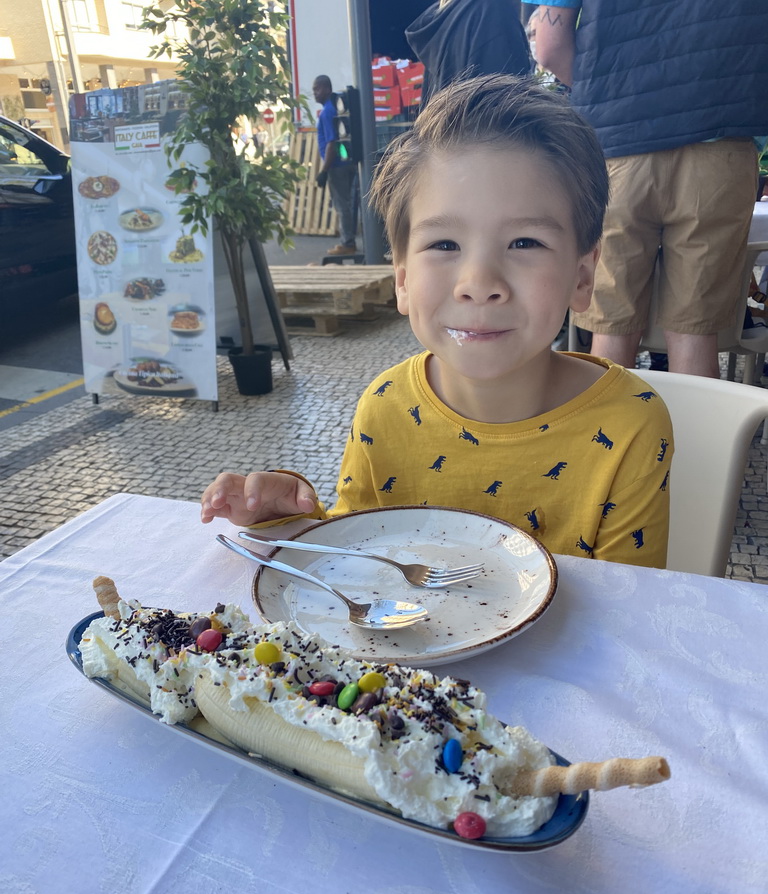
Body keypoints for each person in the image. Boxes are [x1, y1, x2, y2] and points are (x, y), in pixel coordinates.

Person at [201, 75, 673, 568]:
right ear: (402, 280)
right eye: (444, 244)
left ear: (582, 275)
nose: (479, 282)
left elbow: (630, 611)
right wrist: (291, 519)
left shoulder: (629, 425)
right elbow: (361, 556)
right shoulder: (385, 408)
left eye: (525, 243)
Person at [527, 1, 768, 378]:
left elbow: (549, 46)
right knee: (695, 329)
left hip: (618, 150)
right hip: (720, 145)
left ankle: (607, 435)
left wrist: (611, 97)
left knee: (611, 326)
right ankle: (690, 438)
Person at [406, 0, 533, 103]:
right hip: (487, 131)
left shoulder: (449, 12)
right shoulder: (492, 11)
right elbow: (504, 103)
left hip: (452, 131)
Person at [312, 74, 357, 256]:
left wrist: (324, 171)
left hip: (336, 166)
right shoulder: (333, 108)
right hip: (344, 162)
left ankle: (347, 243)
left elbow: (331, 143)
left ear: (327, 89)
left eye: (317, 89)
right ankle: (349, 241)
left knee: (342, 205)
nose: (315, 93)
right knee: (349, 204)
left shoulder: (327, 112)